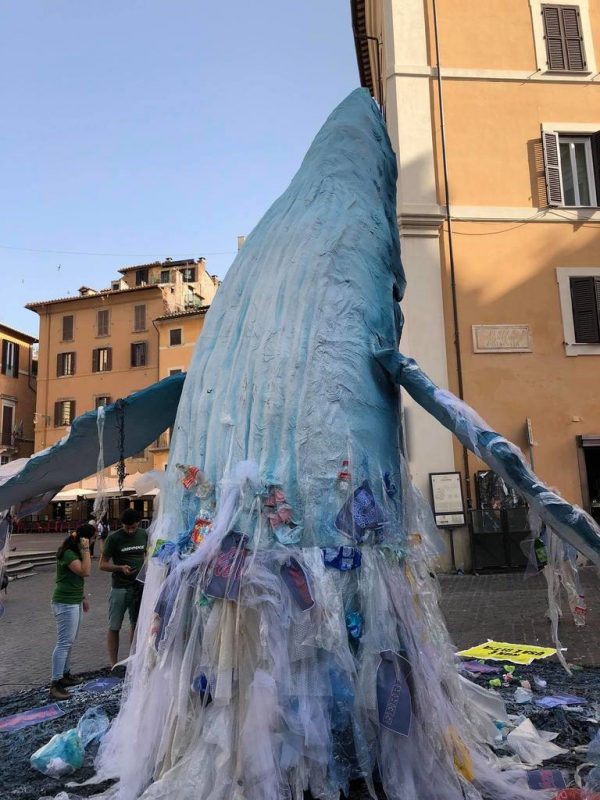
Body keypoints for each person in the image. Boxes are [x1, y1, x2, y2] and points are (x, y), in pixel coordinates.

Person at [99, 508, 148, 667]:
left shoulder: (143, 535)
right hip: (120, 587)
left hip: (139, 587)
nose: (130, 531)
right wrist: (120, 568)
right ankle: (114, 663)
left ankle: (133, 660)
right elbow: (102, 564)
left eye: (133, 527)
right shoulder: (114, 538)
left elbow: (148, 554)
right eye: (127, 528)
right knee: (115, 625)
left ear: (138, 524)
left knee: (136, 624)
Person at [50, 523, 93, 700]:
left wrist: (83, 597)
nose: (93, 542)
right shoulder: (68, 554)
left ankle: (65, 675)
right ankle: (55, 683)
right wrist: (86, 550)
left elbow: (74, 578)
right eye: (91, 539)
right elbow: (85, 571)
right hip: (65, 602)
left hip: (74, 600)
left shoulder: (73, 552)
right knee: (63, 643)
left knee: (69, 641)